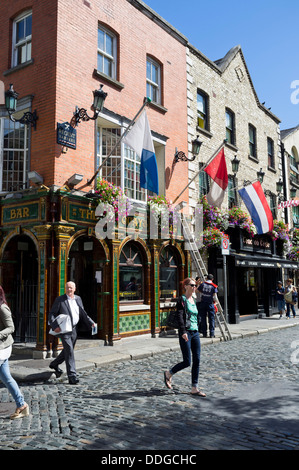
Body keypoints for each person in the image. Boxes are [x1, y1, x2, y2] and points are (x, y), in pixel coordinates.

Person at [163, 278, 206, 397]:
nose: (194, 287)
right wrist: (183, 331)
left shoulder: (194, 300)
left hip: (195, 332)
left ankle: (194, 388)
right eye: (192, 285)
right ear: (186, 286)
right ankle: (169, 373)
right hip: (186, 332)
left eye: (195, 285)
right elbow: (180, 316)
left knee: (197, 359)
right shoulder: (182, 300)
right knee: (187, 361)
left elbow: (196, 316)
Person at [49, 281, 95, 384]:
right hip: (64, 329)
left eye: (71, 288)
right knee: (69, 350)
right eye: (67, 288)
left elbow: (83, 313)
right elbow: (52, 314)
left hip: (74, 329)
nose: (69, 290)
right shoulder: (60, 300)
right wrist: (55, 326)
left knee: (67, 350)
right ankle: (72, 376)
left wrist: (91, 322)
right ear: (65, 289)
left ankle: (54, 364)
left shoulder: (78, 299)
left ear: (74, 289)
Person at [0, 286, 29, 419]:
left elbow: (11, 327)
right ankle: (21, 405)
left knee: (6, 378)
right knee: (6, 378)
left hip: (2, 348)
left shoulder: (2, 308)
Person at [197, 274, 218, 338]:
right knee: (211, 319)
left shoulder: (202, 284)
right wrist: (216, 303)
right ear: (212, 279)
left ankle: (204, 333)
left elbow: (197, 291)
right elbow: (214, 296)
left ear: (206, 278)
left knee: (203, 318)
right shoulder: (214, 286)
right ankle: (211, 333)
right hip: (210, 303)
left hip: (203, 303)